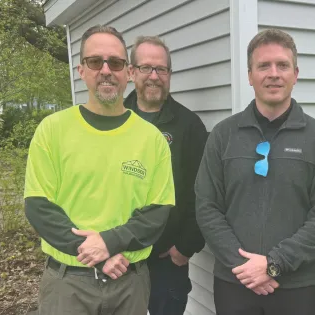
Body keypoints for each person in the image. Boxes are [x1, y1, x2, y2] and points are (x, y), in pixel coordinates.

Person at [24, 25, 175, 315]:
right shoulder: (52, 130)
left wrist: (107, 243)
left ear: (128, 72)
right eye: (95, 61)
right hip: (68, 284)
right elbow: (39, 206)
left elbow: (158, 212)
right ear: (81, 70)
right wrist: (98, 255)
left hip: (129, 284)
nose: (106, 70)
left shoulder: (151, 139)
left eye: (115, 62)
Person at [195, 28, 315, 315]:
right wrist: (243, 266)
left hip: (296, 287)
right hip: (234, 283)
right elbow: (206, 206)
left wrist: (274, 264)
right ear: (250, 76)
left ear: (295, 74)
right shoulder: (223, 136)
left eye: (282, 65)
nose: (273, 74)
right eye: (263, 66)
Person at [124, 35, 208, 315]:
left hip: (167, 260)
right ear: (131, 72)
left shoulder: (189, 126)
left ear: (170, 75)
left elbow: (205, 193)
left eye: (161, 69)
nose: (154, 76)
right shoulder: (114, 121)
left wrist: (185, 247)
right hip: (119, 258)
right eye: (146, 68)